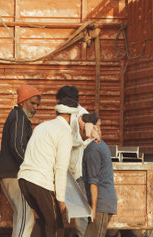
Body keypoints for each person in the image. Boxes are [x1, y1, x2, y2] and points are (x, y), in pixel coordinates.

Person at [18, 97, 79, 237]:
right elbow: (61, 168)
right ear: (72, 116)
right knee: (56, 225)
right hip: (40, 182)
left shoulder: (43, 126)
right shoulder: (64, 132)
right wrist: (61, 199)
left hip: (24, 179)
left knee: (41, 221)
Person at [55, 86, 100, 237]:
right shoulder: (73, 113)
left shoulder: (81, 115)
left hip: (78, 171)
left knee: (81, 214)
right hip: (70, 170)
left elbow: (78, 140)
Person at [0, 84, 41, 237]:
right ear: (22, 102)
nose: (35, 107)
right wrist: (30, 170)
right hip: (15, 175)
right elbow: (17, 147)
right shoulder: (19, 117)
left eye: (37, 104)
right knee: (26, 217)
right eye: (32, 103)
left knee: (21, 217)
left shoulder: (18, 117)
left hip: (12, 174)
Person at [80, 113, 117, 237]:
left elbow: (93, 182)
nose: (79, 131)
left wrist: (93, 209)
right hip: (103, 203)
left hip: (101, 204)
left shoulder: (93, 150)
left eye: (80, 128)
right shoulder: (98, 145)